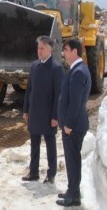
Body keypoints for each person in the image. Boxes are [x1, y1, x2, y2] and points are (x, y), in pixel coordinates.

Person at [22, 36, 64, 184]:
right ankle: (33, 172)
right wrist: (26, 110)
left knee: (50, 145)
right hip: (34, 112)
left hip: (48, 115)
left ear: (49, 49)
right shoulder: (34, 66)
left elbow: (58, 95)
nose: (39, 51)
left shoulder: (56, 68)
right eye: (38, 48)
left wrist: (55, 116)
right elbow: (29, 90)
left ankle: (51, 174)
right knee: (34, 144)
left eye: (42, 48)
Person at [56, 37, 91, 207]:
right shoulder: (78, 69)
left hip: (74, 125)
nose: (63, 53)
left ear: (74, 51)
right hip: (73, 124)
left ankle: (74, 195)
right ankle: (72, 191)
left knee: (73, 160)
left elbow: (75, 103)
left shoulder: (78, 72)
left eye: (66, 50)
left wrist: (68, 124)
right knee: (72, 159)